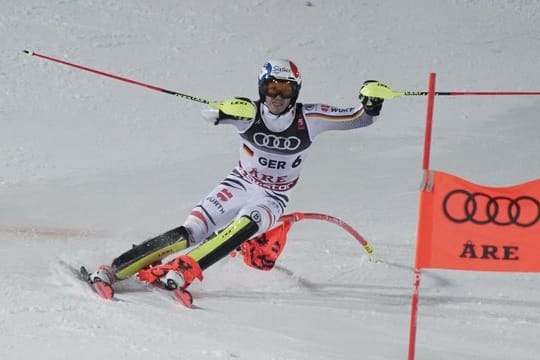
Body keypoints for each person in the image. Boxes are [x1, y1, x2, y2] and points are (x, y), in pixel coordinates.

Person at [88, 59, 384, 296]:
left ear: (296, 91)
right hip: (239, 184)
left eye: (285, 90)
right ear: (261, 88)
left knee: (245, 226)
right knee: (190, 231)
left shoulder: (311, 118)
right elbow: (211, 114)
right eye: (271, 88)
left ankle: (184, 270)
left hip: (273, 196)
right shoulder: (249, 114)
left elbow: (359, 116)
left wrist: (371, 102)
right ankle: (115, 270)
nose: (277, 97)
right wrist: (226, 111)